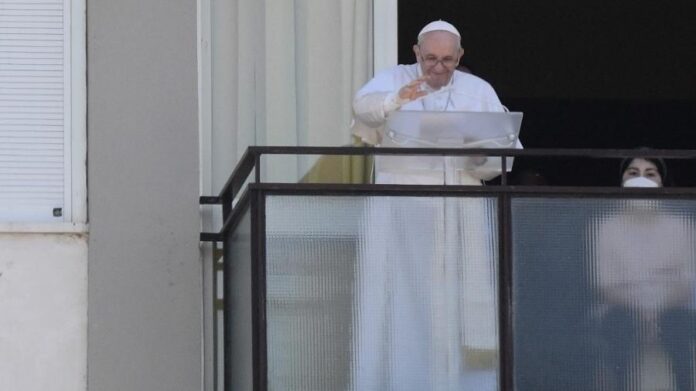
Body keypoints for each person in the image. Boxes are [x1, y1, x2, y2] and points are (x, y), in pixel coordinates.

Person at [350, 20, 509, 391]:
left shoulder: (478, 89)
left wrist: (478, 155)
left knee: (459, 305)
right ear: (417, 52)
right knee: (401, 304)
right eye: (431, 59)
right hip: (403, 212)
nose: (438, 68)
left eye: (448, 60)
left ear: (461, 57)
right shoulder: (393, 78)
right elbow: (363, 110)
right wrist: (399, 98)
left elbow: (503, 151)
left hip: (460, 209)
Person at [591, 156, 696, 390]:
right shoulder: (606, 228)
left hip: (670, 308)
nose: (641, 179)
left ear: (661, 182)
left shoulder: (680, 227)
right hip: (623, 308)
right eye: (633, 172)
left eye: (650, 174)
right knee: (618, 325)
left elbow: (685, 285)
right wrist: (641, 314)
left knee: (679, 324)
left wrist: (657, 312)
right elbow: (606, 286)